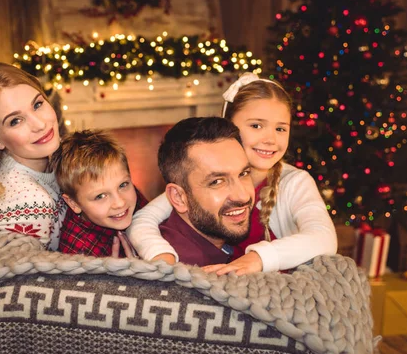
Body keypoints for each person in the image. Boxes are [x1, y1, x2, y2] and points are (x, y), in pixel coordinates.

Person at [126, 73, 337, 275]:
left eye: (281, 129)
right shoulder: (200, 181)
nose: (271, 139)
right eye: (256, 125)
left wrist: (257, 258)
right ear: (229, 126)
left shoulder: (294, 182)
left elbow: (324, 237)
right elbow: (143, 219)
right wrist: (162, 259)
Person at [0, 62, 66, 251]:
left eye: (37, 104)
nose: (40, 124)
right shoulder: (28, 203)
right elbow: (23, 280)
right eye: (15, 121)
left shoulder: (48, 167)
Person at [156, 117, 254, 266]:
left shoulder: (224, 238)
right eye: (217, 182)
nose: (243, 196)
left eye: (244, 173)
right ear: (179, 198)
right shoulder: (185, 276)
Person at [52, 129, 147, 257]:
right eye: (100, 196)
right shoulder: (80, 255)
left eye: (123, 185)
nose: (119, 203)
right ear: (73, 203)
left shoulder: (130, 197)